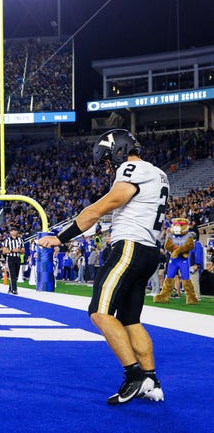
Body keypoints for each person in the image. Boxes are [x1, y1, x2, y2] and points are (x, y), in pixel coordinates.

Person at [38, 129, 169, 405]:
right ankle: (151, 380)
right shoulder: (158, 173)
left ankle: (134, 375)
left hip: (130, 248)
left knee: (98, 312)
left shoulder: (133, 168)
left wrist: (60, 236)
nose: (109, 167)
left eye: (108, 160)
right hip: (148, 250)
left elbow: (106, 204)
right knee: (130, 319)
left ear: (118, 150)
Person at [1, 226, 24, 294]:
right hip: (10, 258)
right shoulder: (7, 240)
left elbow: (23, 250)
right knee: (12, 274)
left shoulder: (20, 240)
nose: (13, 232)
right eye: (12, 230)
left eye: (15, 230)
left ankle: (10, 288)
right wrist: (12, 251)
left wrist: (18, 250)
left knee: (16, 275)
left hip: (18, 258)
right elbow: (4, 251)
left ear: (17, 232)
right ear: (10, 232)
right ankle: (14, 289)